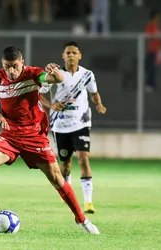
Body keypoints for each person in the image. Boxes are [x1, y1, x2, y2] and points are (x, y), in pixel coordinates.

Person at [0, 46, 100, 234]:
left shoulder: (33, 74)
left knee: (58, 180)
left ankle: (82, 220)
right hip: (10, 135)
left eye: (14, 66)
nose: (11, 71)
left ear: (22, 62)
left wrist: (56, 74)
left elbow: (52, 79)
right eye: (7, 67)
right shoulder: (0, 77)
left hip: (34, 136)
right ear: (2, 65)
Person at [39, 41, 107, 214]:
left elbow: (94, 93)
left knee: (84, 158)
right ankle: (67, 193)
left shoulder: (87, 75)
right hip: (60, 125)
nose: (70, 55)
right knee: (65, 164)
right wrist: (51, 105)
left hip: (81, 123)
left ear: (79, 56)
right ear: (63, 56)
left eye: (73, 52)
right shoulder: (55, 74)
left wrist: (98, 104)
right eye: (67, 53)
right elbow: (37, 95)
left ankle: (88, 202)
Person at [145, 11, 161, 92]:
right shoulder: (150, 25)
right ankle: (149, 84)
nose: (159, 19)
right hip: (151, 50)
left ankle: (153, 84)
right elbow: (147, 36)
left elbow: (160, 39)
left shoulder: (158, 26)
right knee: (151, 68)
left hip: (157, 50)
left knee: (155, 68)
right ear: (154, 17)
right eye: (158, 17)